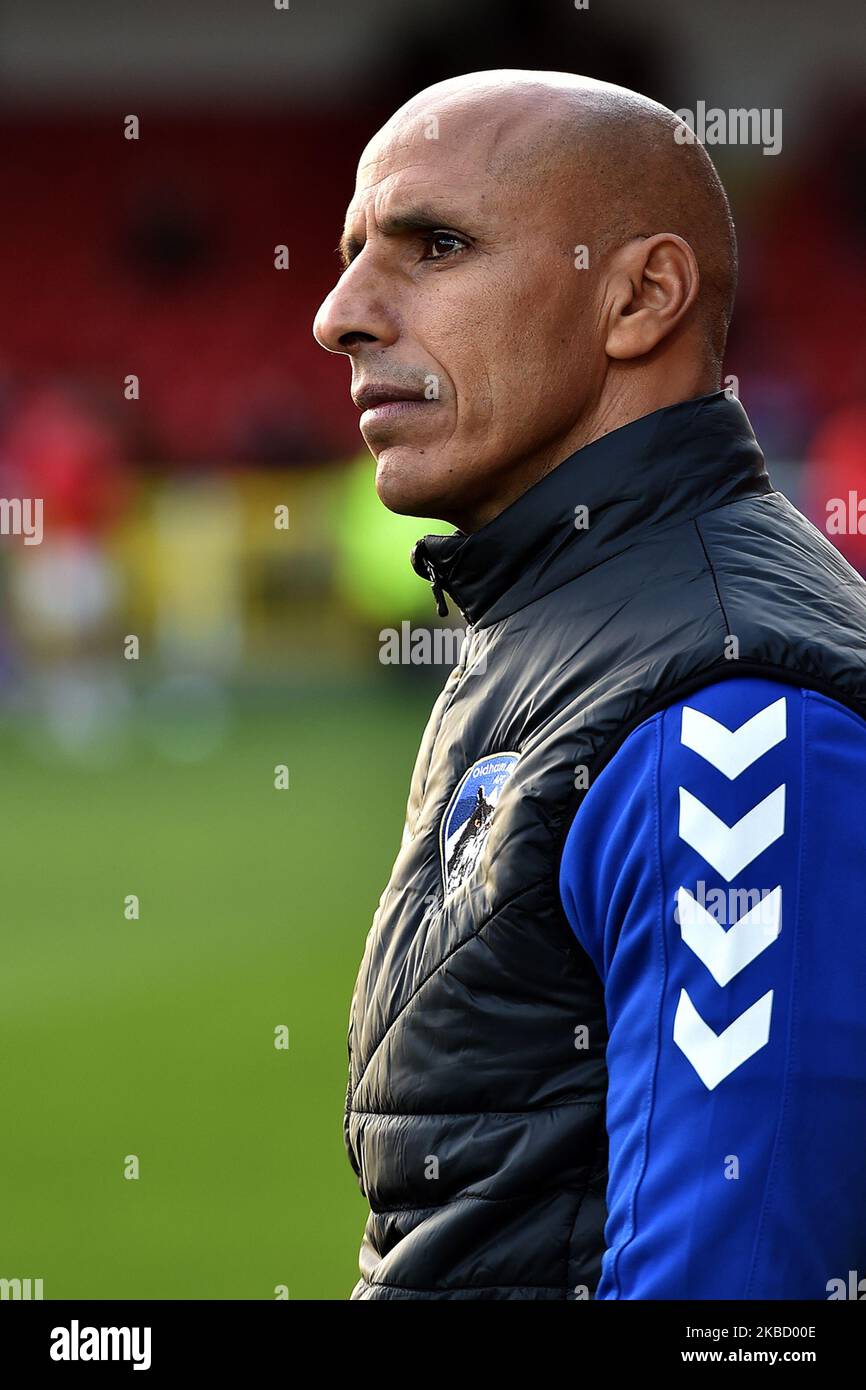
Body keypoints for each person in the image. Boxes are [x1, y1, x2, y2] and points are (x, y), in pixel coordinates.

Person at [313, 70, 866, 1301]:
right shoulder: (559, 619)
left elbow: (738, 1304)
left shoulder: (734, 715)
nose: (339, 313)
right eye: (353, 254)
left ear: (638, 298)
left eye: (434, 246)